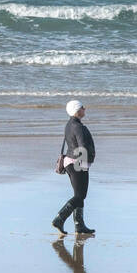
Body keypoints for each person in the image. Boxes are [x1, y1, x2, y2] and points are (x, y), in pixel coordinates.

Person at [52, 99, 95, 236]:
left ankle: (79, 226)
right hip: (77, 162)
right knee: (80, 195)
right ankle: (59, 219)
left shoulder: (70, 124)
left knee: (80, 196)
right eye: (83, 107)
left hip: (71, 162)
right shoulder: (77, 127)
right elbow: (82, 146)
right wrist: (84, 164)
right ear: (77, 110)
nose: (85, 109)